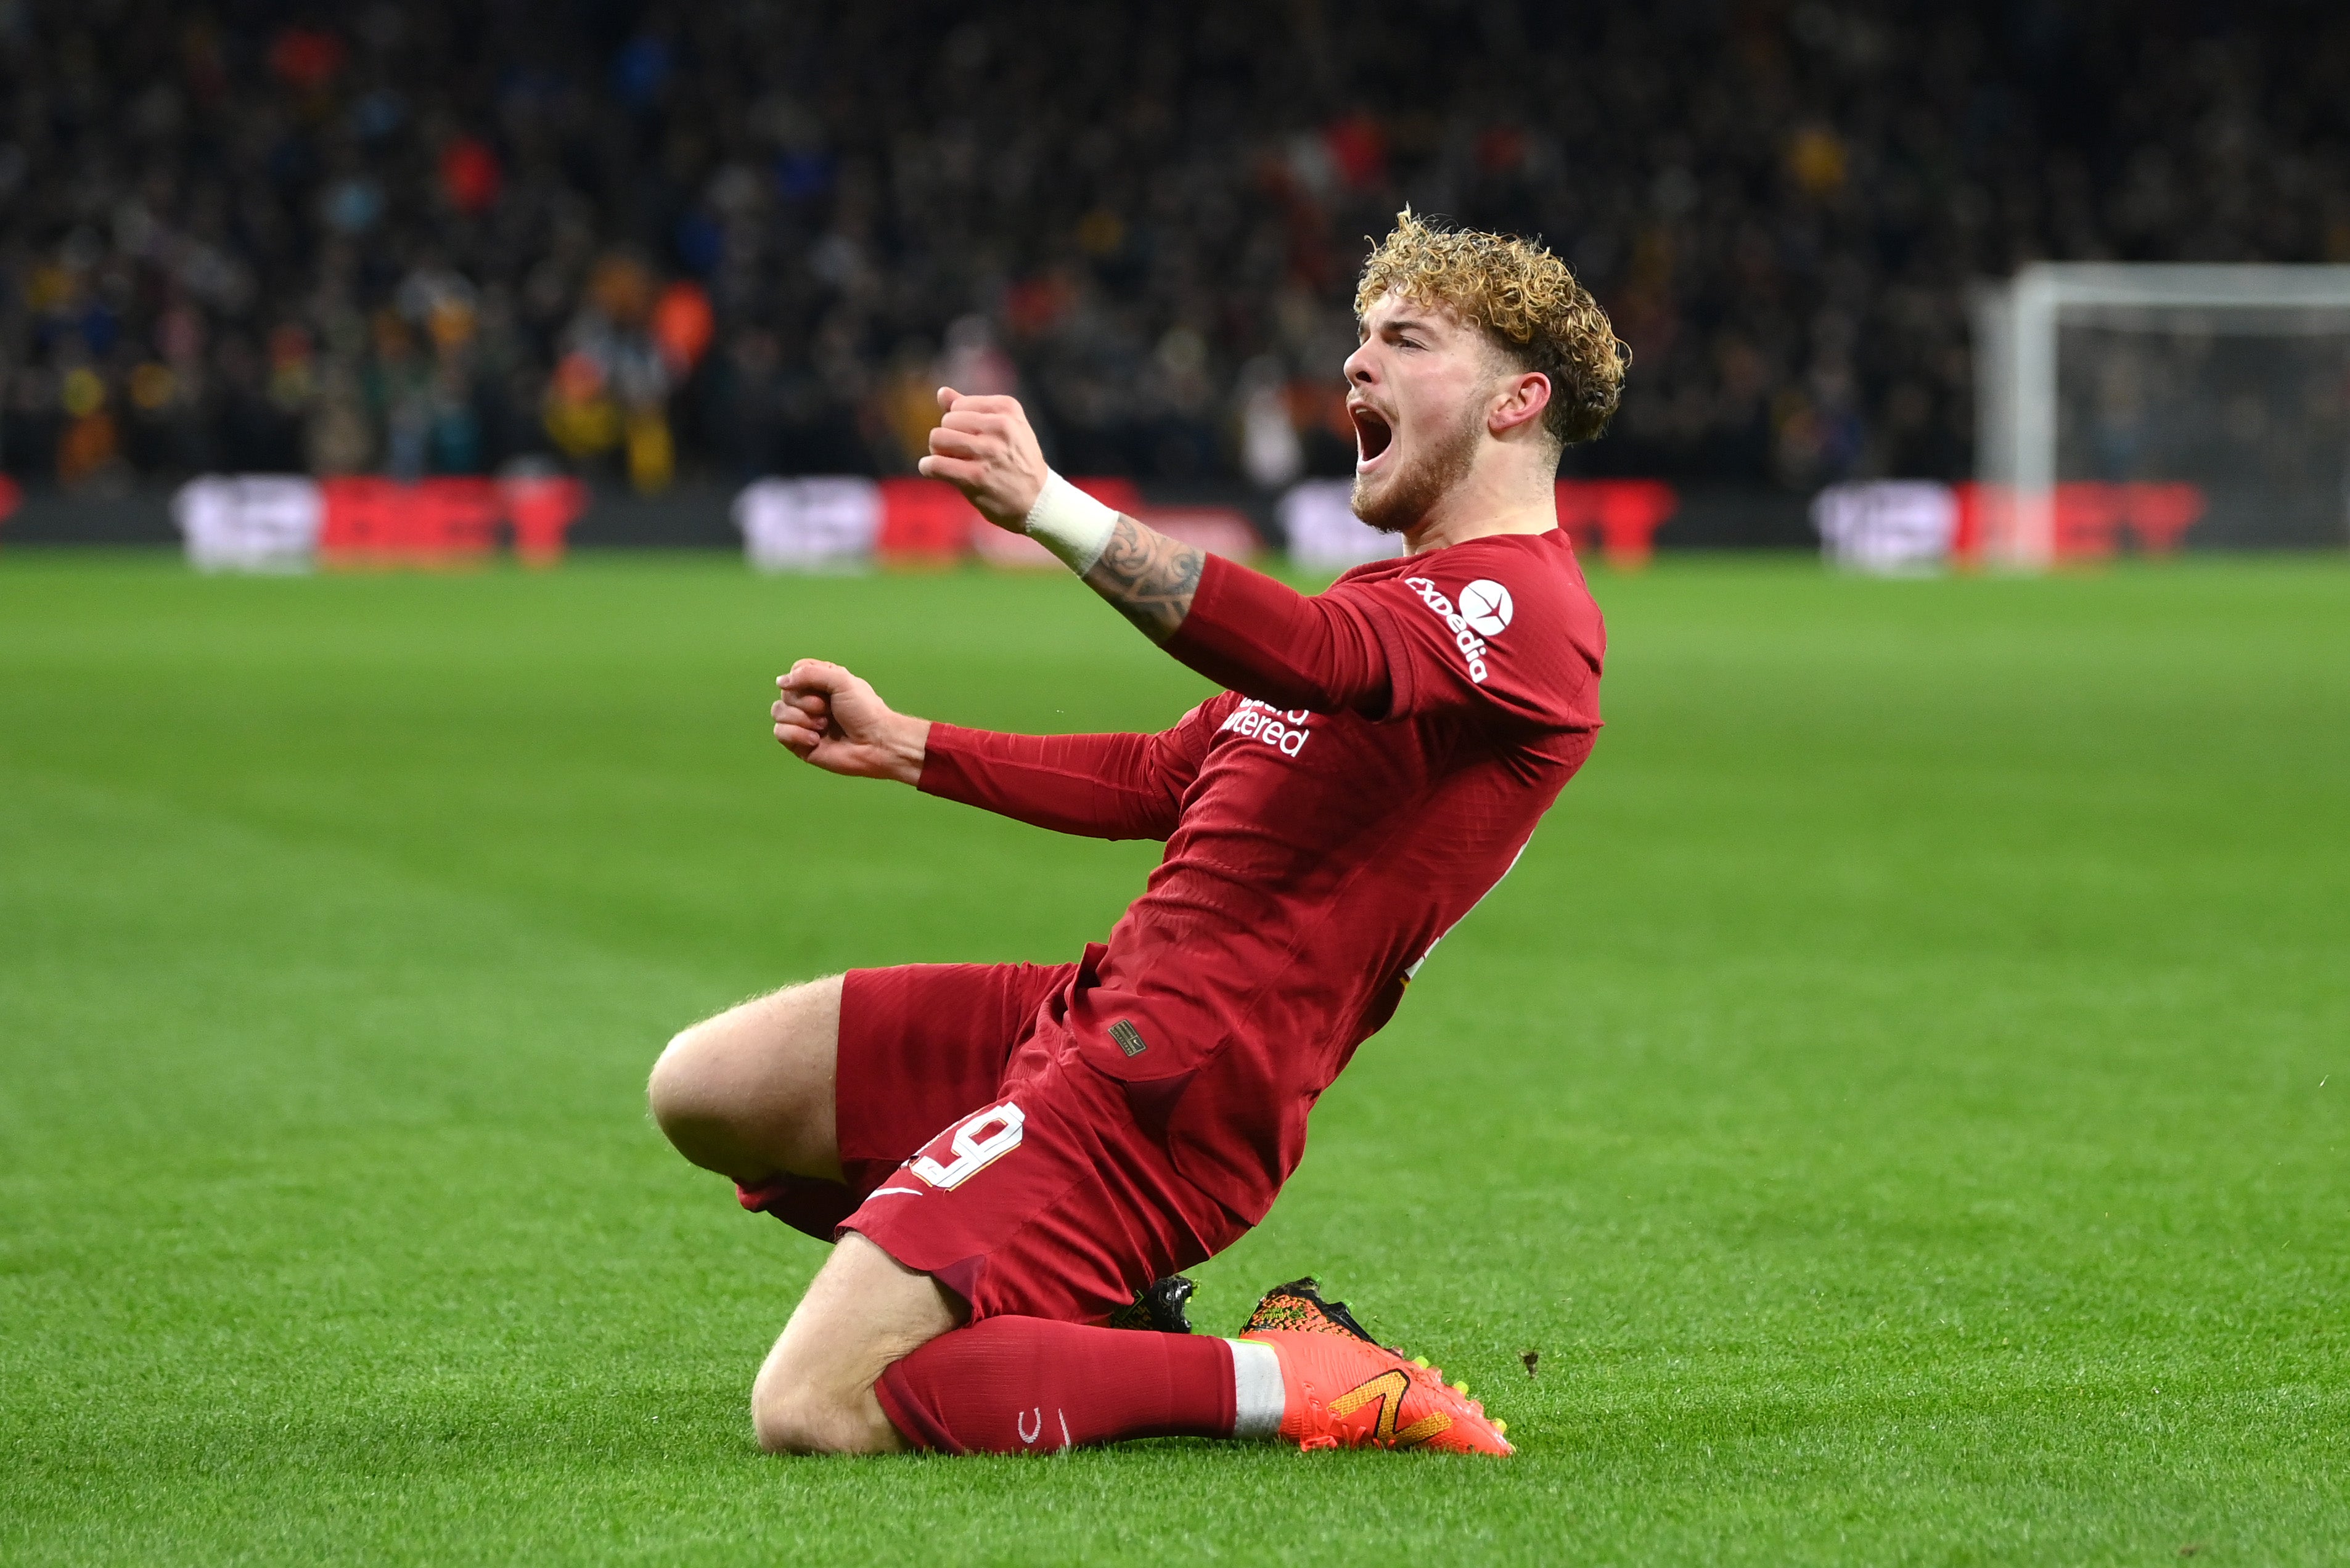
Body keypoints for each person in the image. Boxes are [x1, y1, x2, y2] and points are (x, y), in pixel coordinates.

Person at [647, 211, 1627, 1456]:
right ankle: (1099, 1308)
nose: (1354, 365)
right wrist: (909, 746)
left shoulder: (1524, 610)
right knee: (708, 1088)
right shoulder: (1398, 596)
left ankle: (1289, 1378)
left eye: (1405, 339)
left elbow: (1312, 656)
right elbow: (1171, 774)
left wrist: (1053, 507)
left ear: (1514, 402)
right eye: (1357, 337)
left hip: (1176, 1082)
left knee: (813, 1407)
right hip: (1100, 1012)